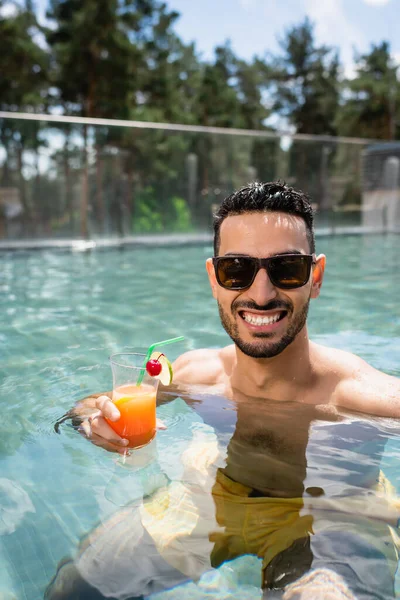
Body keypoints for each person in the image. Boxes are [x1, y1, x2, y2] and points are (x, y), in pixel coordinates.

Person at [49, 181, 400, 599]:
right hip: (215, 500)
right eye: (237, 270)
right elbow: (91, 403)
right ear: (215, 279)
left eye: (287, 268)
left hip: (331, 515)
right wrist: (95, 422)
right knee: (76, 586)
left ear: (316, 277)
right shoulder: (197, 374)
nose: (261, 293)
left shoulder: (367, 399)